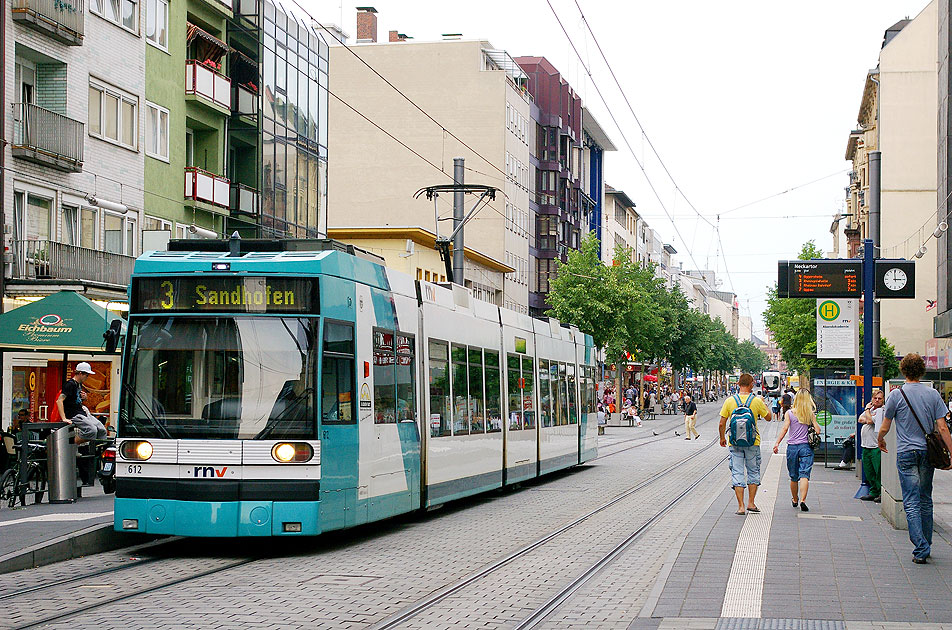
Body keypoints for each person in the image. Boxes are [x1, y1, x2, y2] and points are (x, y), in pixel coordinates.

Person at [880, 353, 952, 564]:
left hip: (905, 453)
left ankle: (920, 547)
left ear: (903, 371)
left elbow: (886, 424)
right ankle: (926, 544)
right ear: (921, 371)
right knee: (925, 499)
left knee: (910, 500)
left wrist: (880, 439)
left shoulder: (896, 395)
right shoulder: (933, 394)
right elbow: (942, 427)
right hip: (927, 453)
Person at [719, 373, 772, 515]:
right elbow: (769, 418)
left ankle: (741, 506)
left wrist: (722, 438)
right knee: (753, 471)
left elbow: (722, 423)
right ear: (751, 385)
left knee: (737, 472)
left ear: (738, 384)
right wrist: (764, 403)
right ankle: (751, 503)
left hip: (734, 442)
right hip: (752, 442)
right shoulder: (756, 401)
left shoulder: (730, 401)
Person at [773, 389, 822, 511]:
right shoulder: (810, 413)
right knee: (804, 474)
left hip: (792, 448)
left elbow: (785, 429)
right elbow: (818, 430)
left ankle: (795, 499)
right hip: (806, 446)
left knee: (793, 476)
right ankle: (803, 500)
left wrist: (777, 443)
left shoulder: (789, 413)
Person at [55, 362, 106, 444]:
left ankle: (99, 450)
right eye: (87, 375)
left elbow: (74, 400)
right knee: (91, 430)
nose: (87, 377)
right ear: (80, 373)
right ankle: (69, 444)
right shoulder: (70, 384)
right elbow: (59, 400)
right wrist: (64, 418)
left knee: (102, 430)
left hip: (81, 412)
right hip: (74, 414)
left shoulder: (79, 384)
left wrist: (83, 398)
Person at [858, 388, 885, 503]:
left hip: (875, 446)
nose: (877, 400)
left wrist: (868, 411)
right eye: (875, 398)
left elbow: (869, 421)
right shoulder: (872, 409)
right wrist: (868, 416)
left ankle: (880, 492)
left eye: (880, 398)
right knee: (869, 471)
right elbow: (860, 419)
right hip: (866, 445)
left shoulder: (881, 411)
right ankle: (873, 491)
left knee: (878, 470)